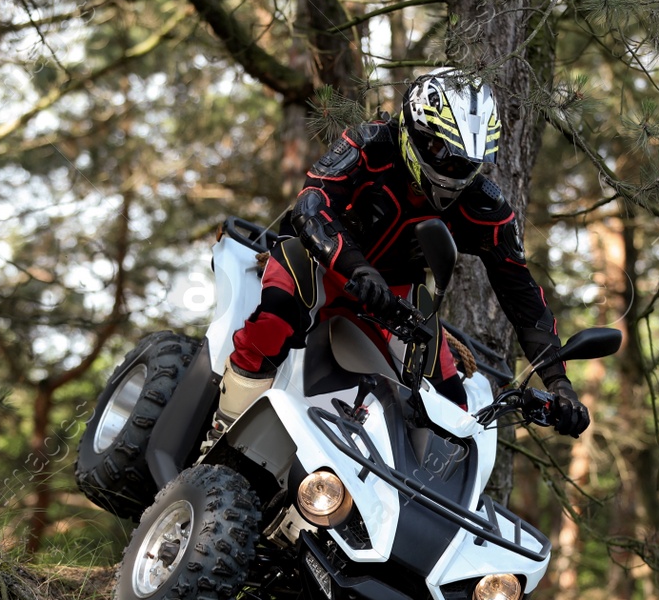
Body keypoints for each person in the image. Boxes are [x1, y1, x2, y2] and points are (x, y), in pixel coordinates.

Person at [211, 68, 590, 440]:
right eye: (446, 153)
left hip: (393, 298)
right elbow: (311, 206)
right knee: (276, 315)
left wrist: (559, 384)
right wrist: (357, 268)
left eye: (468, 162)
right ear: (417, 133)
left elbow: (521, 292)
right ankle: (223, 430)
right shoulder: (370, 144)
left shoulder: (483, 206)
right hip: (318, 266)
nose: (455, 171)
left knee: (451, 405)